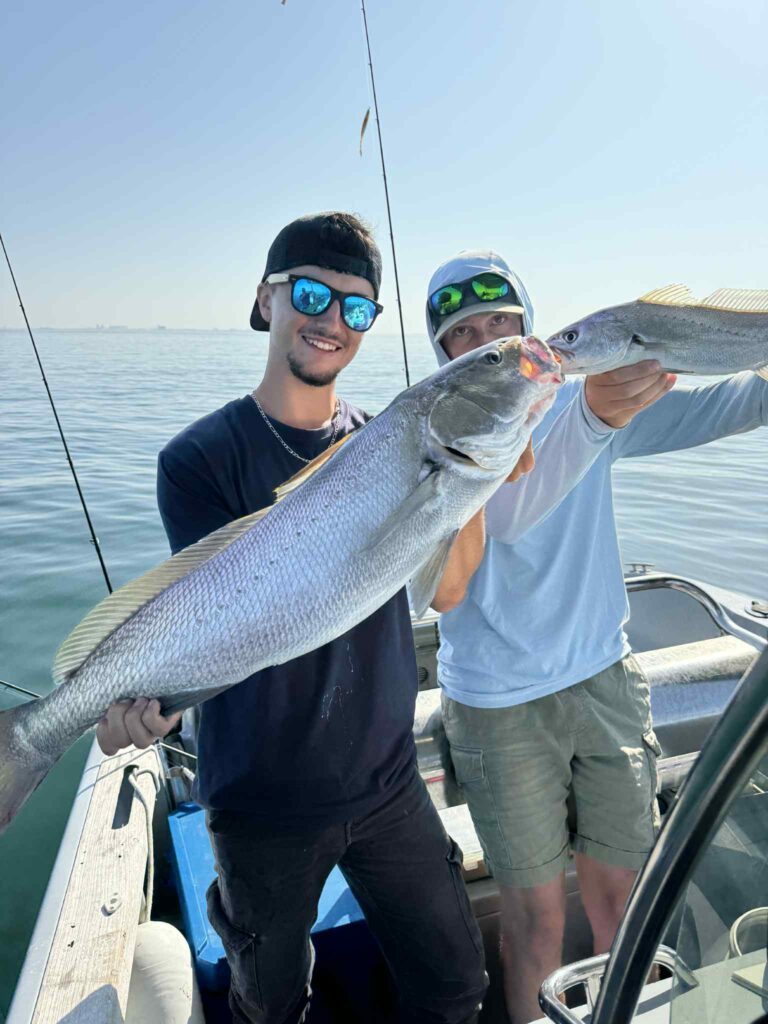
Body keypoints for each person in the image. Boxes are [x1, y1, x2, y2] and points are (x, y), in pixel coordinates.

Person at [95, 212, 494, 1024]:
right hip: (262, 802)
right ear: (266, 298)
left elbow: (445, 592)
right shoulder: (200, 459)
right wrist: (136, 701)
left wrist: (472, 482)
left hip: (388, 784)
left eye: (356, 308)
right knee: (269, 1006)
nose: (332, 321)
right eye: (313, 292)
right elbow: (211, 619)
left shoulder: (396, 440)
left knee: (457, 986)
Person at [425, 249, 768, 1024]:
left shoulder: (596, 404)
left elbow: (736, 403)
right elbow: (503, 516)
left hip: (606, 681)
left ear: (528, 331)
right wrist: (594, 416)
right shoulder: (440, 436)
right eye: (463, 333)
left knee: (628, 902)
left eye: (500, 324)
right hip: (498, 704)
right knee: (535, 921)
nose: (485, 340)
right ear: (443, 354)